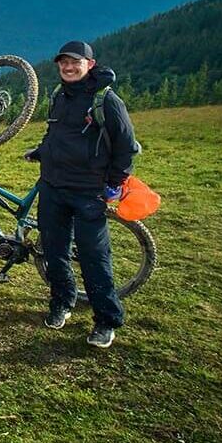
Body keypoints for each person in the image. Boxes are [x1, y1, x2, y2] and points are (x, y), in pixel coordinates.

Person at [25, 40, 138, 348]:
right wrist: (41, 152)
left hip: (89, 192)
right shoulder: (59, 96)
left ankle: (106, 320)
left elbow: (127, 146)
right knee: (54, 252)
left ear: (90, 64)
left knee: (94, 258)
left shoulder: (106, 100)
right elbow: (57, 134)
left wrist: (113, 185)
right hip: (52, 187)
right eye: (63, 62)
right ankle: (62, 303)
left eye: (75, 62)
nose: (68, 67)